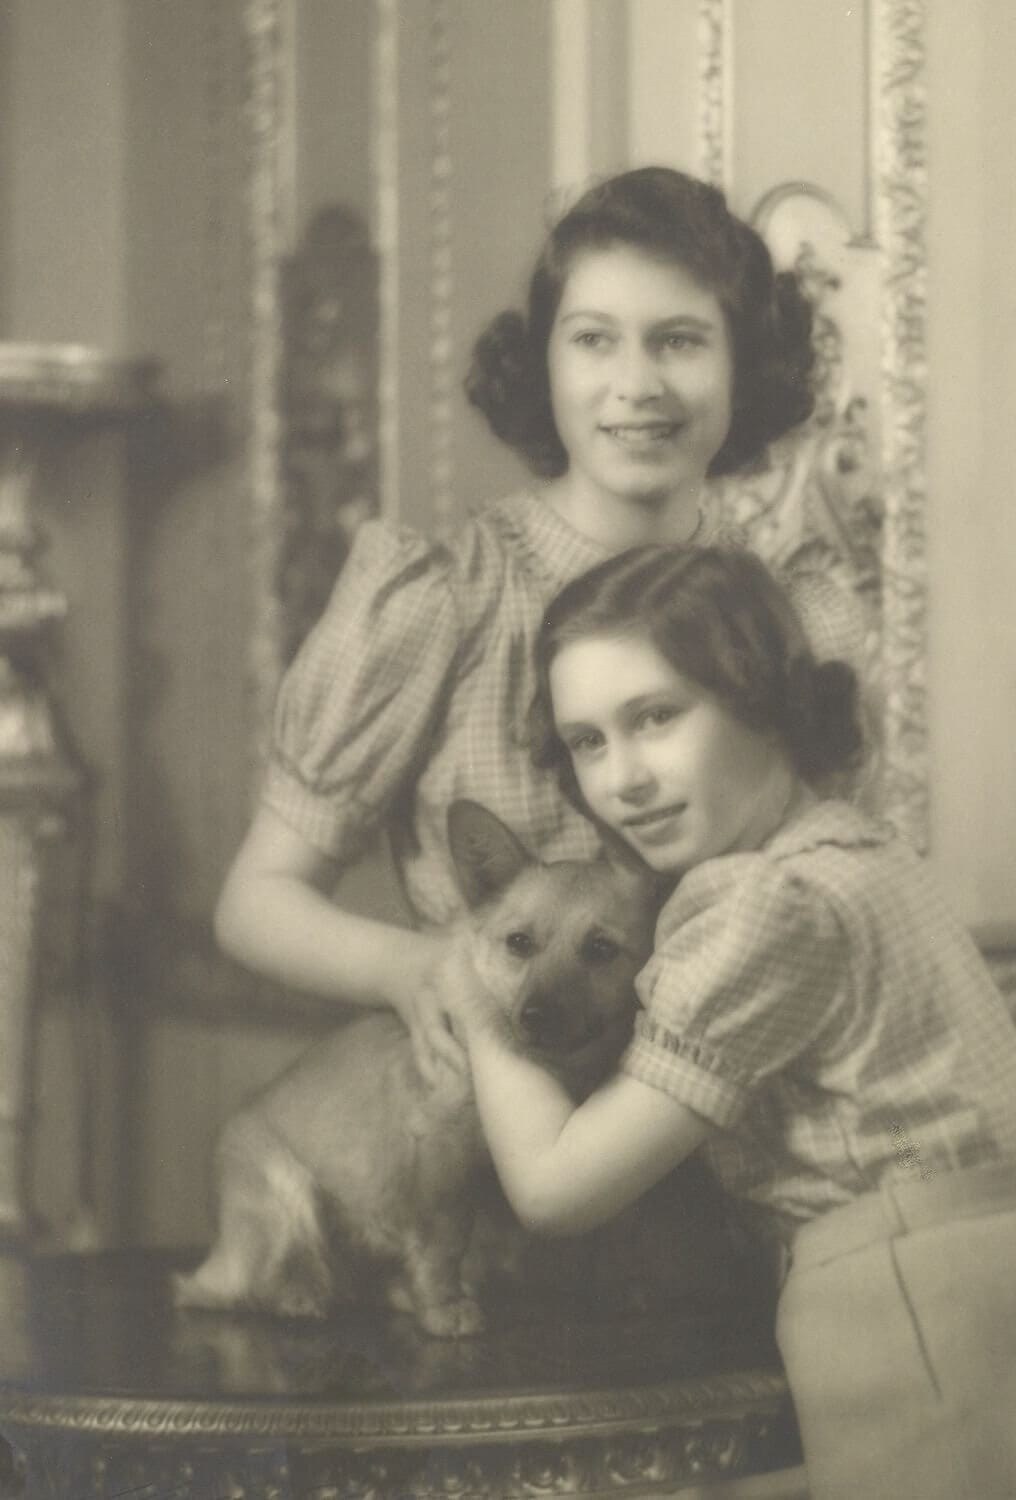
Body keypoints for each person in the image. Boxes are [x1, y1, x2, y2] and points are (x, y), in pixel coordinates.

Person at [214, 165, 829, 1073]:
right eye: (593, 341)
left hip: (737, 1138)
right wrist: (416, 969)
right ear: (544, 364)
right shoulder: (443, 599)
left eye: (681, 341)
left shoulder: (795, 611)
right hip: (501, 1116)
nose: (637, 384)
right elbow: (255, 903)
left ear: (745, 365)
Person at [457, 542, 1016, 1500]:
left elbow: (556, 1191)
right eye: (588, 741)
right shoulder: (849, 850)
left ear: (764, 702)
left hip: (905, 1290)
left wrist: (473, 999)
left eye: (657, 718)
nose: (623, 778)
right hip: (955, 1256)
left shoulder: (768, 906)